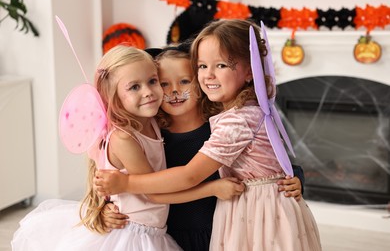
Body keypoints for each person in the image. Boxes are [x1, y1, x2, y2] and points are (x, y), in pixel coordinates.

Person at [95, 20, 321, 251]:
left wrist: (295, 178)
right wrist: (104, 207)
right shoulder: (153, 131)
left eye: (184, 81)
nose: (173, 91)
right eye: (162, 83)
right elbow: (111, 175)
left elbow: (267, 157)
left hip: (222, 228)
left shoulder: (218, 127)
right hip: (170, 235)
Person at [11, 45, 244, 251]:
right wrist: (104, 206)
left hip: (206, 228)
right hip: (146, 232)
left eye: (153, 81)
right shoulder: (129, 135)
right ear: (114, 95)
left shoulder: (158, 122)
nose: (151, 91)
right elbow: (147, 191)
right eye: (162, 83)